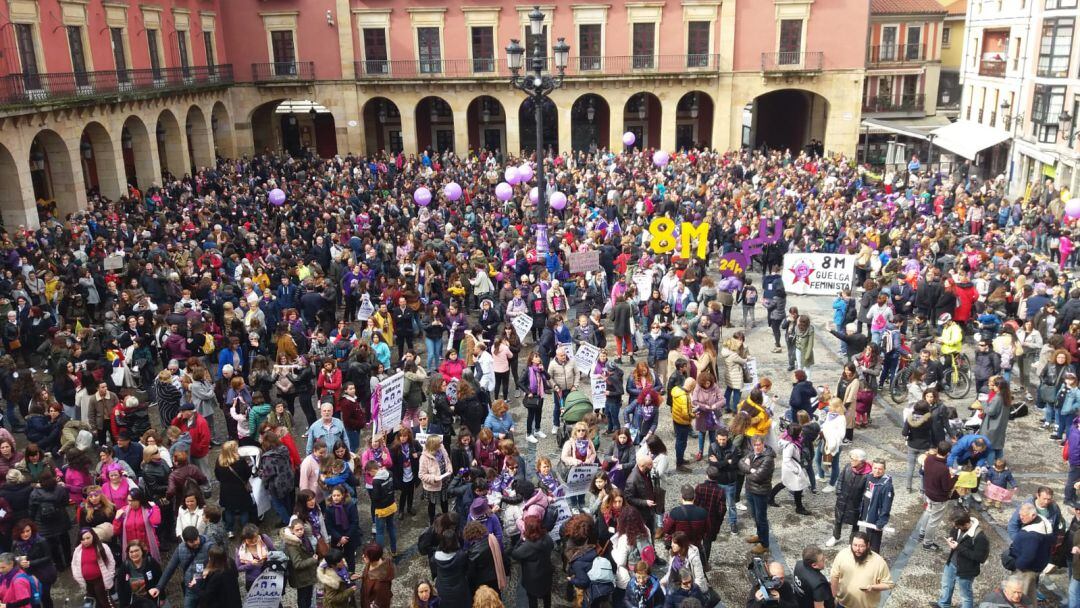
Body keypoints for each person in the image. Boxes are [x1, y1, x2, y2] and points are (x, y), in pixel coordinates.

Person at [934, 509, 990, 608]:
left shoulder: (980, 537)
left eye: (957, 526)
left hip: (966, 570)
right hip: (952, 563)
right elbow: (954, 530)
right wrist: (951, 537)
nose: (955, 528)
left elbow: (980, 557)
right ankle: (943, 605)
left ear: (966, 524)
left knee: (965, 595)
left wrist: (958, 547)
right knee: (946, 586)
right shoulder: (959, 526)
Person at [1006, 502, 1054, 606]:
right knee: (1031, 592)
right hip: (1037, 567)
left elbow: (1028, 556)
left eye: (1023, 516)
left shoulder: (1031, 535)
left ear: (1033, 515)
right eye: (1020, 515)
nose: (1020, 518)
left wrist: (1017, 566)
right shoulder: (1044, 522)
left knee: (1019, 596)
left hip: (1026, 570)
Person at [151, 526, 212, 608]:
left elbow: (217, 565)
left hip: (207, 588)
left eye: (196, 539)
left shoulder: (209, 546)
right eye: (191, 541)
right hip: (191, 590)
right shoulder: (180, 549)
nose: (195, 542)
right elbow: (170, 569)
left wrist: (202, 573)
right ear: (185, 542)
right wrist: (159, 587)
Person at [828, 532, 893, 608]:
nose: (857, 549)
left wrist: (873, 587)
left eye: (861, 546)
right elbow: (834, 576)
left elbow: (888, 584)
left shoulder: (879, 562)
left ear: (868, 545)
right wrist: (833, 597)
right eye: (855, 545)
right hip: (843, 604)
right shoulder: (842, 555)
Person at [825, 449, 872, 548]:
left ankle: (852, 541)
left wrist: (862, 505)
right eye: (851, 458)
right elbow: (841, 479)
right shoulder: (847, 467)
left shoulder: (867, 475)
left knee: (855, 524)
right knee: (838, 519)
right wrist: (838, 491)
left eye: (854, 459)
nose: (851, 461)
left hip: (856, 503)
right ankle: (835, 536)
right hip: (842, 499)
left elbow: (867, 492)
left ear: (861, 461)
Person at [740, 436, 776, 556]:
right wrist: (751, 469)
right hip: (750, 489)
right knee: (754, 515)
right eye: (755, 445)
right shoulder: (752, 453)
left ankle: (764, 544)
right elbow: (740, 464)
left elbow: (759, 476)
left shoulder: (768, 459)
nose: (757, 447)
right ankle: (760, 535)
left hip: (760, 492)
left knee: (761, 518)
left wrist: (748, 471)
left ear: (763, 444)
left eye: (759, 444)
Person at [919, 441, 958, 551]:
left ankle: (922, 532)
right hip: (939, 498)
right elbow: (946, 488)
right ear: (948, 453)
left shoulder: (929, 458)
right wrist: (955, 477)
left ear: (937, 449)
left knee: (928, 511)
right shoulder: (943, 468)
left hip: (929, 492)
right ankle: (927, 543)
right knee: (934, 521)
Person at [511, 515, 555, 608]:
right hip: (546, 573)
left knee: (532, 599)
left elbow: (515, 554)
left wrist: (520, 540)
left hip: (532, 578)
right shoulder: (547, 537)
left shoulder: (527, 545)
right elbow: (552, 546)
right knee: (547, 597)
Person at [857, 459, 894, 554]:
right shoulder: (869, 477)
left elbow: (886, 506)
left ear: (884, 469)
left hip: (876, 518)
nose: (877, 471)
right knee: (868, 538)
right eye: (875, 468)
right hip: (868, 516)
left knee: (875, 543)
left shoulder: (887, 486)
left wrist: (881, 522)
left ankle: (875, 561)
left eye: (880, 469)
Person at [281, 519, 319, 608]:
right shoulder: (292, 545)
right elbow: (297, 564)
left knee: (308, 598)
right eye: (297, 530)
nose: (300, 531)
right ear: (292, 530)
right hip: (301, 578)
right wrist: (312, 560)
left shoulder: (303, 538)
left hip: (307, 575)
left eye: (301, 529)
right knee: (303, 599)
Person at [116, 539, 162, 608]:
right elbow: (120, 587)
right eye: (131, 552)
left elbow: (160, 580)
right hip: (133, 602)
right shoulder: (125, 567)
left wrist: (162, 597)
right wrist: (123, 605)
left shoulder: (151, 562)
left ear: (142, 551)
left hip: (151, 601)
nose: (134, 554)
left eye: (136, 550)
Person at [360, 542, 395, 608]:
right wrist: (363, 576)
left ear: (372, 558)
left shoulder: (380, 584)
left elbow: (382, 602)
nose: (362, 556)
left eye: (365, 556)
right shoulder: (375, 561)